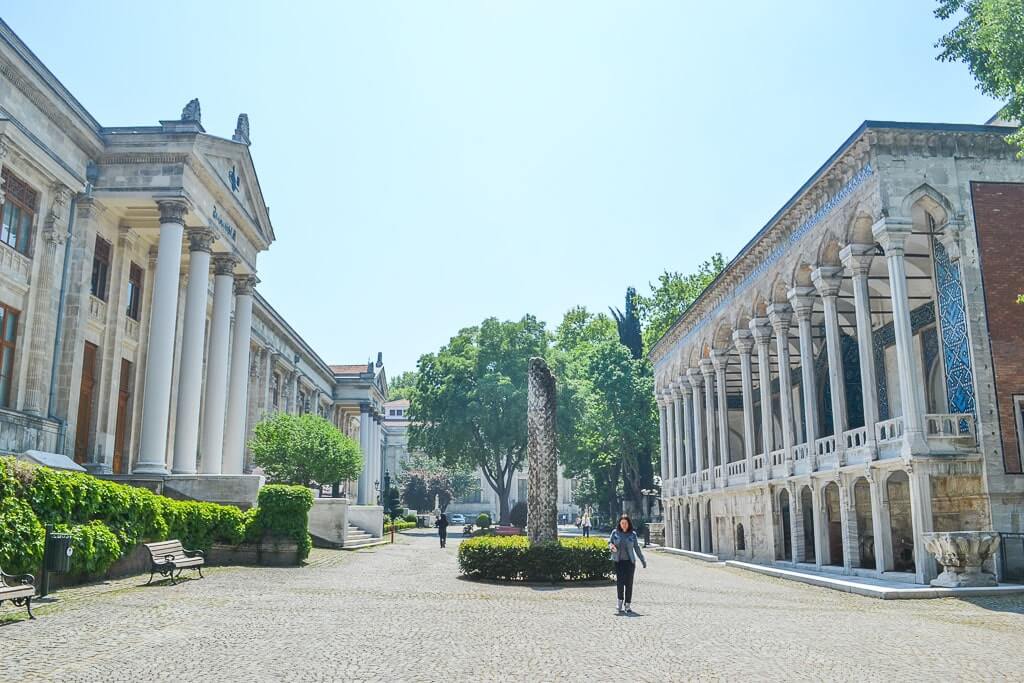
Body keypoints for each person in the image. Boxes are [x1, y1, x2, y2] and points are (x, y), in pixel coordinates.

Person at [608, 513, 646, 614]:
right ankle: (619, 602)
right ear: (619, 524)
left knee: (629, 583)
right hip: (618, 562)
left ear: (629, 524)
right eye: (622, 523)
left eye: (625, 523)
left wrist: (642, 560)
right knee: (620, 583)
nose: (624, 525)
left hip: (630, 562)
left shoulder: (632, 534)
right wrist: (612, 547)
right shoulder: (615, 533)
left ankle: (628, 604)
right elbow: (609, 543)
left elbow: (637, 548)